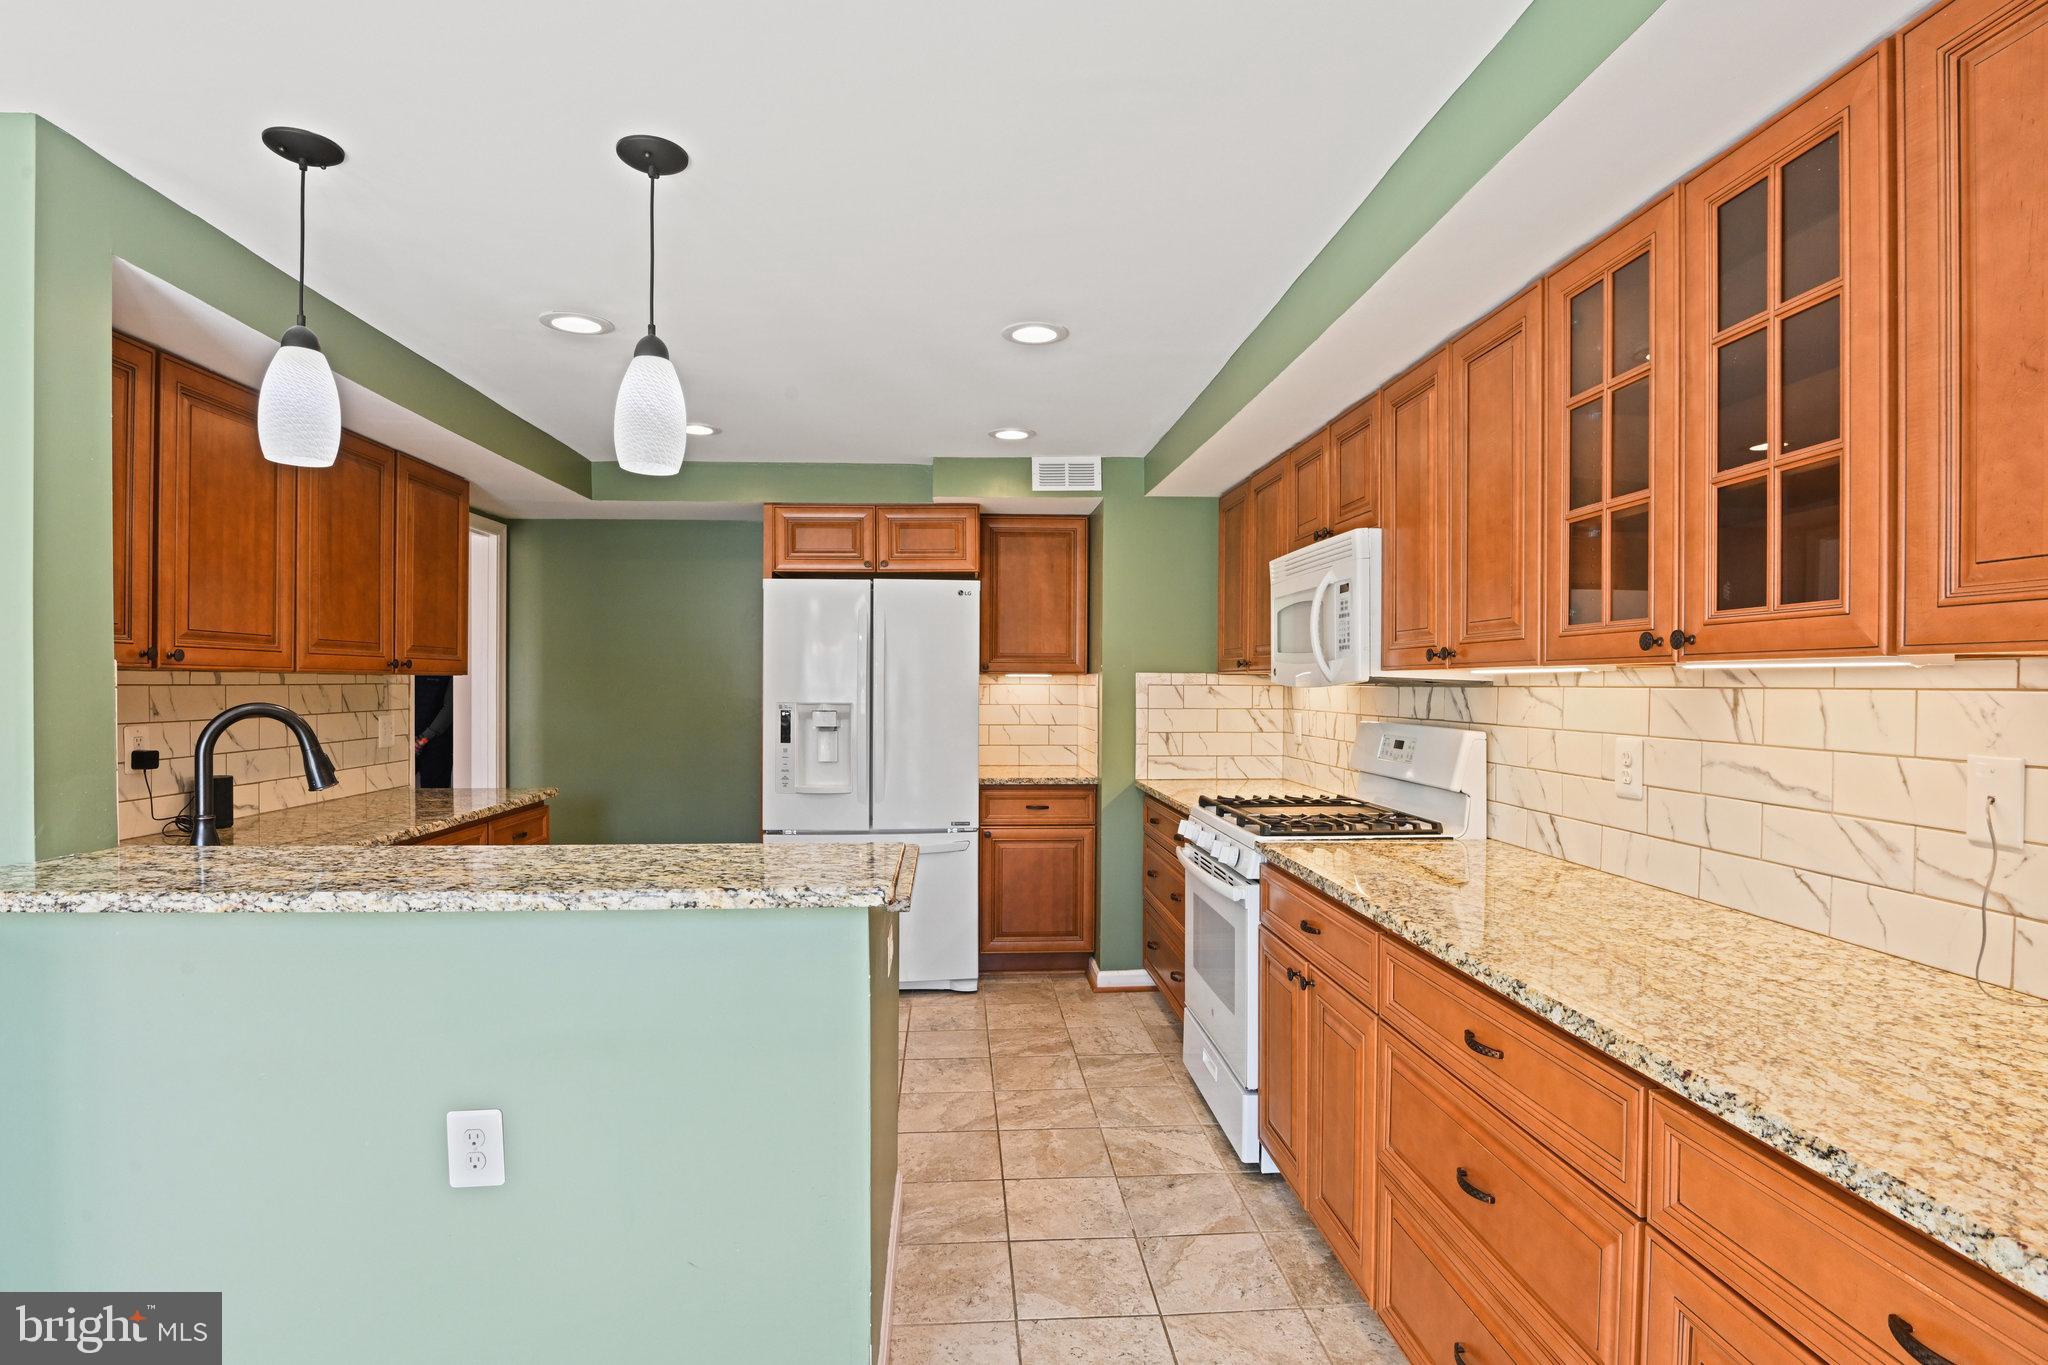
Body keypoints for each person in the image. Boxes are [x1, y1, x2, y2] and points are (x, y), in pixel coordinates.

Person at [414, 675, 454, 788]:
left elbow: (449, 710)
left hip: (437, 745)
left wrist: (422, 739)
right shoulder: (410, 664)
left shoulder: (450, 668)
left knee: (434, 800)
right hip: (411, 741)